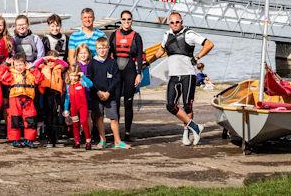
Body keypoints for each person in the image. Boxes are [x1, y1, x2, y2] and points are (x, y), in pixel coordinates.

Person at [151, 12, 214, 146]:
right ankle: (195, 127)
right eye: (172, 22)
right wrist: (148, 62)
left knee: (187, 106)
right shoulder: (166, 35)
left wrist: (197, 58)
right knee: (170, 105)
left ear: (181, 22)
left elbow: (209, 44)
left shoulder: (189, 34)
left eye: (177, 22)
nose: (175, 24)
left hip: (188, 75)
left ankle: (186, 133)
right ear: (169, 23)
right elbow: (161, 51)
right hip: (173, 76)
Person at [107, 10, 144, 141]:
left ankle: (127, 133)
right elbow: (108, 54)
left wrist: (139, 74)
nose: (126, 22)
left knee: (128, 103)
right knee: (115, 102)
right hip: (116, 71)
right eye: (124, 19)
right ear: (120, 20)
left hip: (130, 72)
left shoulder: (136, 36)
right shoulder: (113, 35)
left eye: (129, 19)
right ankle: (116, 132)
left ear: (132, 20)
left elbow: (139, 57)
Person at [85, 37, 129, 149]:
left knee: (114, 118)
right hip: (97, 95)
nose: (102, 50)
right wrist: (98, 92)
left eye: (104, 48)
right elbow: (89, 80)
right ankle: (102, 140)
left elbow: (116, 78)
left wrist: (108, 92)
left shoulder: (113, 63)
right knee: (99, 117)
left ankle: (117, 141)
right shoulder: (92, 64)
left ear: (108, 48)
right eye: (99, 48)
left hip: (111, 96)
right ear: (96, 49)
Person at [1, 53, 42, 148]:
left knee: (30, 118)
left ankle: (29, 139)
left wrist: (32, 68)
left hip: (28, 98)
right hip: (15, 98)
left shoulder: (31, 72)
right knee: (14, 119)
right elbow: (2, 77)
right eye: (16, 65)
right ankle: (15, 139)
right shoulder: (11, 72)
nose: (19, 67)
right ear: (13, 65)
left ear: (25, 64)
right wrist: (5, 65)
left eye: (21, 64)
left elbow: (39, 79)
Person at [33, 51, 68, 148]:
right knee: (48, 116)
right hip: (46, 94)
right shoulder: (43, 67)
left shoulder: (60, 69)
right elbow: (34, 66)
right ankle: (49, 138)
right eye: (49, 61)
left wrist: (57, 59)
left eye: (53, 61)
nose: (50, 63)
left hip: (56, 94)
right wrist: (43, 59)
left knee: (56, 116)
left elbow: (66, 65)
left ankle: (56, 138)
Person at [63, 64, 93, 150]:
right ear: (69, 75)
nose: (73, 78)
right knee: (75, 124)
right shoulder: (68, 86)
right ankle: (77, 141)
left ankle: (88, 141)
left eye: (76, 75)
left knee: (84, 121)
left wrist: (83, 76)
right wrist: (65, 109)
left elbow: (90, 84)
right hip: (73, 108)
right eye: (72, 75)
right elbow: (67, 98)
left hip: (83, 106)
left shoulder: (82, 82)